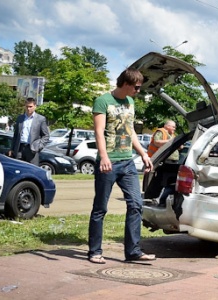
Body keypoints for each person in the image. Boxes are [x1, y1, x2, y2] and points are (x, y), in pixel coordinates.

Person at [87, 68, 154, 264]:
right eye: (137, 87)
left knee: (136, 204)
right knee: (100, 208)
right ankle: (95, 251)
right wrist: (104, 156)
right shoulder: (103, 101)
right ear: (126, 84)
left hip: (127, 162)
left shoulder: (130, 102)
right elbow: (99, 132)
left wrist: (143, 154)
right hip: (108, 163)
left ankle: (133, 251)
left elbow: (130, 130)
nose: (138, 91)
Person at [8, 98, 50, 166]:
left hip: (32, 149)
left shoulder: (40, 119)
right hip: (20, 148)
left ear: (35, 106)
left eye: (30, 106)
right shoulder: (20, 118)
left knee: (32, 169)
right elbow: (15, 135)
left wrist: (39, 146)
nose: (28, 108)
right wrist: (12, 148)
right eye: (27, 106)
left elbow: (46, 136)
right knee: (19, 168)